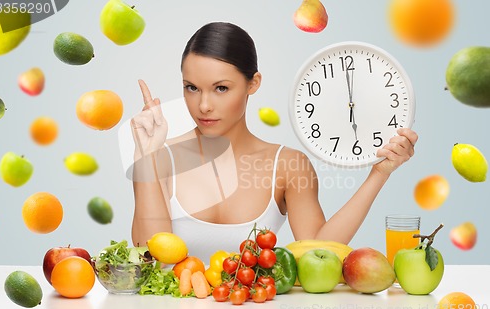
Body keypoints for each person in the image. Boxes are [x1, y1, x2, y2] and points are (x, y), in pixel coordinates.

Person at [130, 22, 418, 261]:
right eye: (191, 88)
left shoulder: (288, 165)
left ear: (253, 83)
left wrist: (379, 173)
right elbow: (148, 256)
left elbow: (318, 251)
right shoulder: (161, 158)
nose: (203, 105)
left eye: (221, 88)